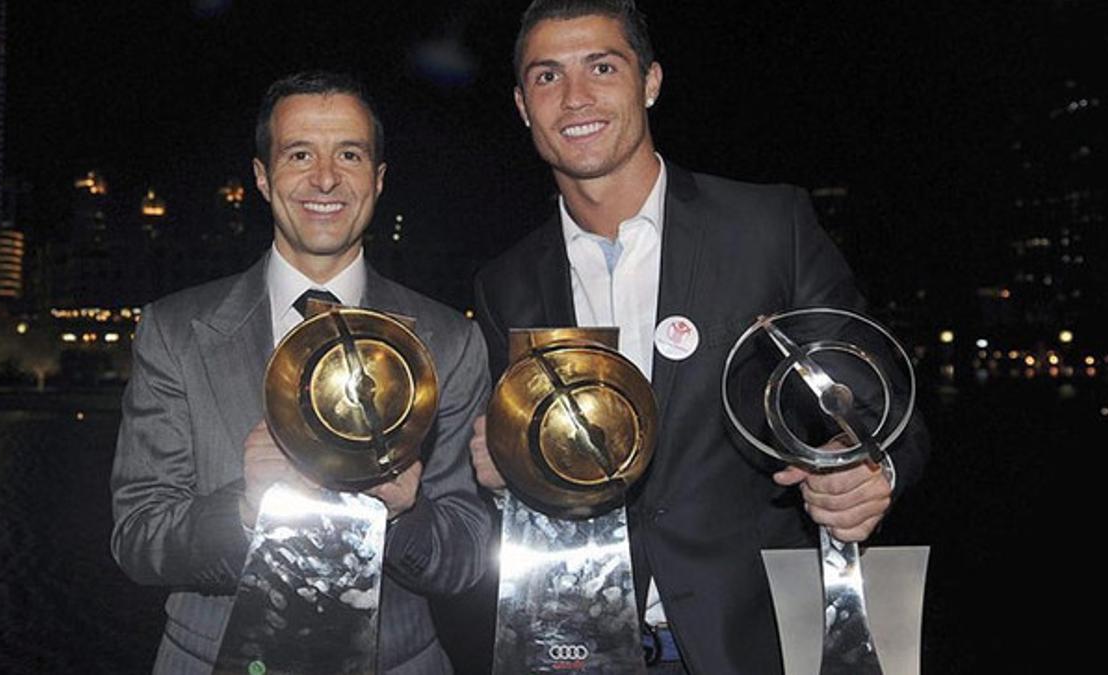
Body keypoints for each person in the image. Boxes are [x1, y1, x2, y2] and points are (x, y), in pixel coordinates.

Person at [470, 2, 930, 673]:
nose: (575, 97)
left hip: (754, 643)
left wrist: (870, 469)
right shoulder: (503, 284)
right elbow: (521, 475)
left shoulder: (767, 227)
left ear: (650, 81)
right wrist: (501, 471)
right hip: (583, 649)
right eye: (547, 77)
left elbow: (887, 408)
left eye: (602, 66)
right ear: (521, 105)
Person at [111, 70, 491, 675]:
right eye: (299, 154)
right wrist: (245, 510)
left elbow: (468, 556)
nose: (324, 178)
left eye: (349, 154)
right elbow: (137, 537)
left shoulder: (449, 340)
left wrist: (403, 514)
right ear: (262, 178)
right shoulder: (175, 330)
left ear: (378, 178)